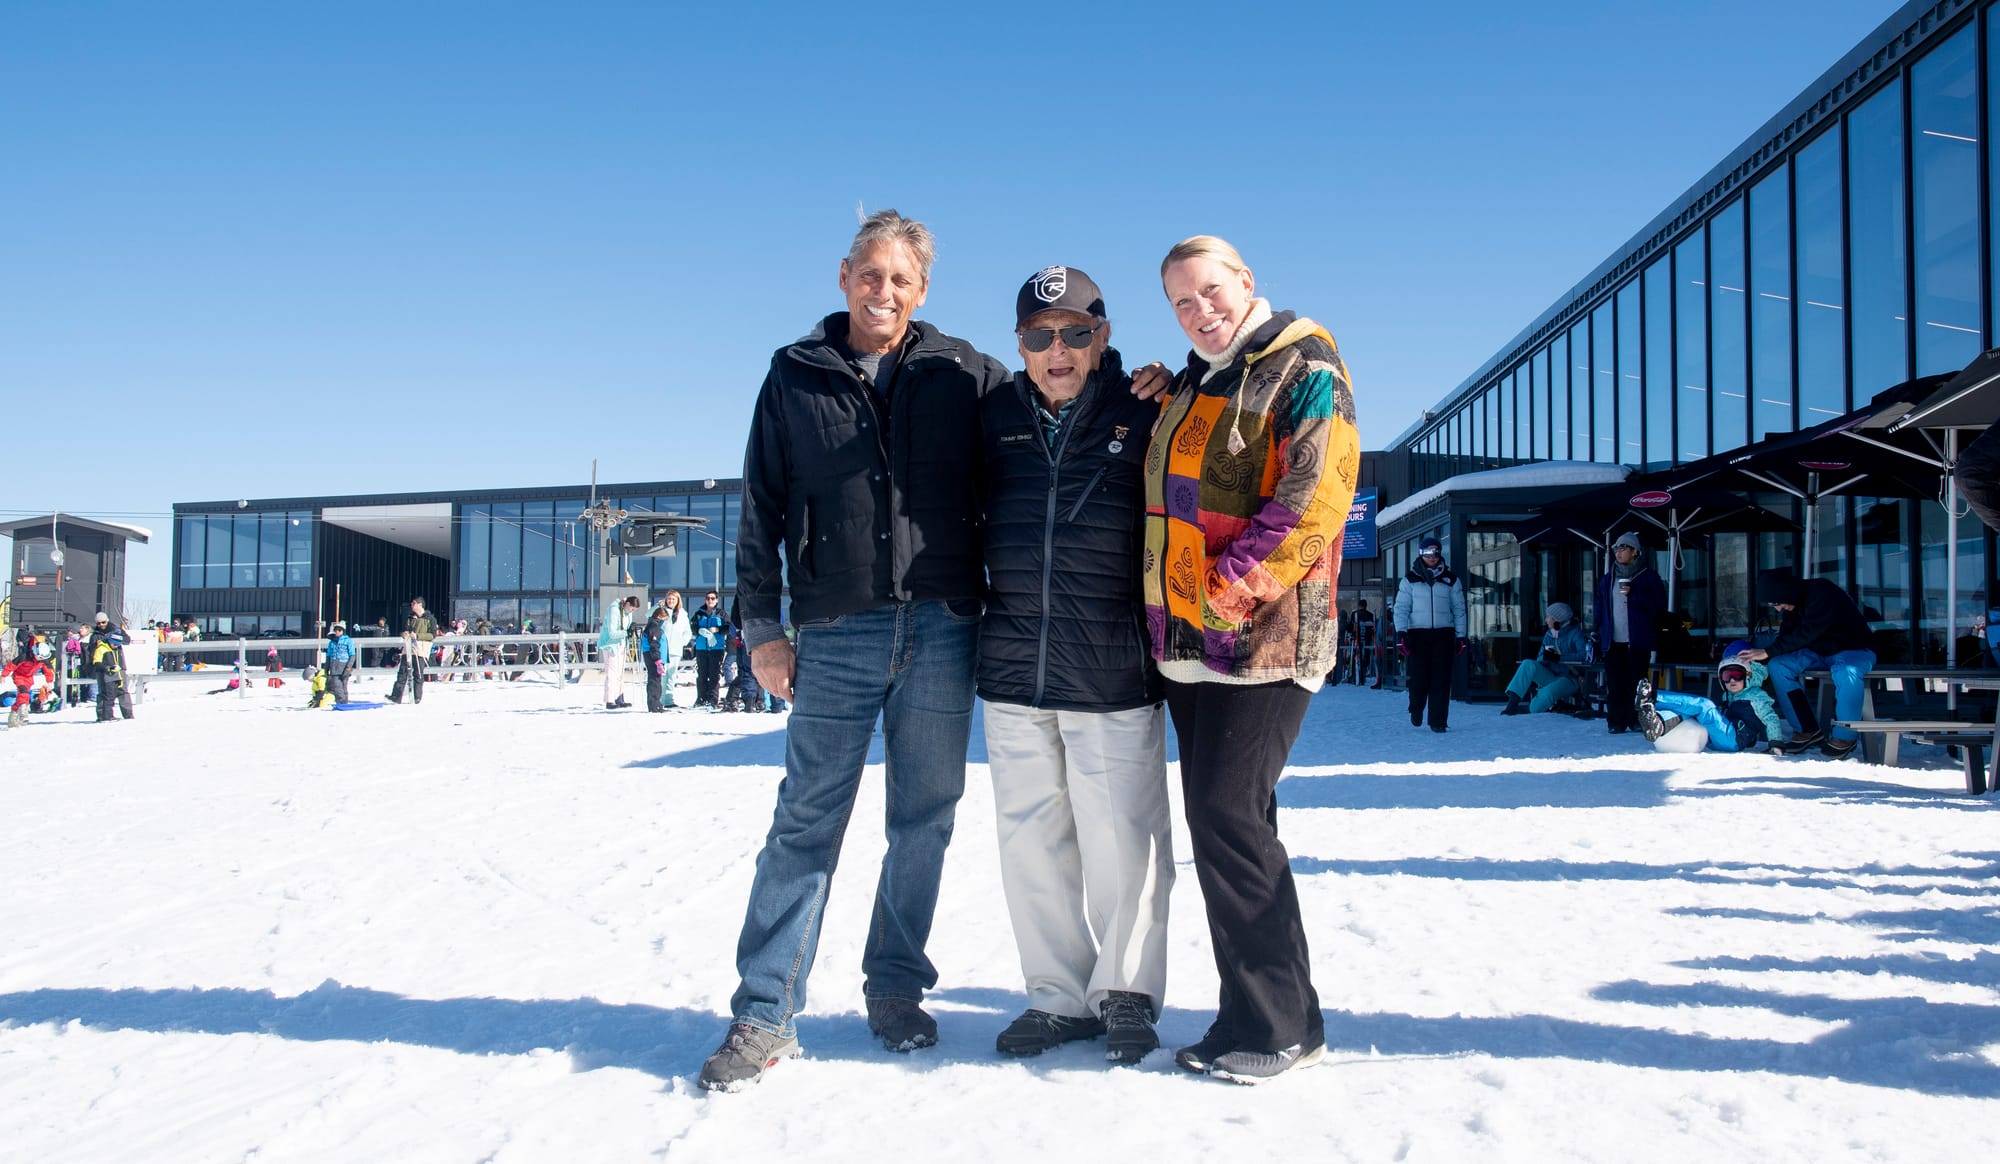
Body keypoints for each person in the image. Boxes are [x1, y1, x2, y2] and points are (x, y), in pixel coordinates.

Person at [700, 210, 1010, 1093]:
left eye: (901, 280)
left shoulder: (964, 372)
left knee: (925, 819)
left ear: (922, 290)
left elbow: (1037, 424)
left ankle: (896, 988)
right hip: (836, 632)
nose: (885, 292)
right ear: (844, 278)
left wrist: (1119, 383)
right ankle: (764, 1014)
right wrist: (761, 627)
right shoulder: (794, 375)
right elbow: (759, 505)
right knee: (805, 824)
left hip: (944, 626)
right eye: (870, 275)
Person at [1142, 235, 1358, 1083]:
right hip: (1192, 648)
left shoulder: (1304, 360)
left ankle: (1278, 1026)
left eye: (1211, 292)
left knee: (1231, 818)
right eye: (1182, 303)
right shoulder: (1199, 379)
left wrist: (1225, 592)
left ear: (1246, 283)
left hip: (1264, 641)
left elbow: (1317, 494)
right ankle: (1259, 1012)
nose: (1201, 312)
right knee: (1227, 826)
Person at [977, 265, 1173, 1064]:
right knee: (1031, 842)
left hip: (1111, 664)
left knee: (1125, 840)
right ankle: (1056, 999)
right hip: (1015, 664)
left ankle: (1124, 993)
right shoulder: (990, 417)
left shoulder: (1148, 408)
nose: (1057, 350)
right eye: (1039, 336)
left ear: (1104, 334)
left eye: (1075, 333)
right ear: (1020, 345)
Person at [1741, 568, 1876, 759]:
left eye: (1777, 603)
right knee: (1779, 665)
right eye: (1773, 605)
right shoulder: (1792, 605)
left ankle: (1845, 736)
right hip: (1819, 652)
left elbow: (1810, 631)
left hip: (1854, 650)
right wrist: (1760, 659)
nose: (1778, 609)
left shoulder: (1822, 592)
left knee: (1846, 672)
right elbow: (1787, 637)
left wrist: (1767, 651)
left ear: (1785, 591)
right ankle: (1806, 729)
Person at [1635, 646, 1784, 753]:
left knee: (1705, 705)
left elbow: (1771, 719)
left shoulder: (1755, 697)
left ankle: (1654, 697)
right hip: (1718, 737)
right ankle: (1659, 723)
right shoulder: (1730, 696)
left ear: (1748, 676)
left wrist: (1775, 743)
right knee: (1691, 711)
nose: (1732, 680)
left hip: (1733, 739)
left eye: (1737, 675)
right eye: (1727, 676)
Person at [1594, 531, 1666, 735]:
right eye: (1616, 548)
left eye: (1623, 548)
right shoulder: (1608, 579)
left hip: (1638, 639)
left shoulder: (1648, 577)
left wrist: (1635, 594)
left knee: (1637, 683)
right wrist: (1597, 630)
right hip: (1613, 639)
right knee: (1615, 682)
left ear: (1635, 552)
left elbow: (1659, 604)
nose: (1618, 552)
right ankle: (1615, 721)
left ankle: (1636, 719)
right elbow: (1599, 605)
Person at [1393, 534, 1466, 732]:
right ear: (1421, 554)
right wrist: (1401, 633)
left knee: (1441, 679)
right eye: (1427, 553)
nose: (1432, 557)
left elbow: (1459, 609)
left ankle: (1438, 721)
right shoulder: (1410, 580)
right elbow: (1401, 608)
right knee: (1419, 678)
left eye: (1435, 552)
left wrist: (1461, 635)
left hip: (1444, 633)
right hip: (1418, 634)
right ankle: (1416, 708)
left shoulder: (1450, 580)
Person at [1500, 602, 1587, 715]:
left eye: (1548, 617)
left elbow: (1584, 655)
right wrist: (1547, 657)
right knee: (1527, 664)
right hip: (1551, 675)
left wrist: (1558, 657)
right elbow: (1539, 658)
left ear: (1557, 619)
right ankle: (1512, 704)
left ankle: (1529, 709)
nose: (1546, 620)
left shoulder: (1575, 634)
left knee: (1547, 692)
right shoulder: (1549, 635)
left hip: (1569, 678)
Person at [388, 597, 437, 705]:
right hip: (409, 648)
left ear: (420, 605)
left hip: (421, 649)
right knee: (402, 672)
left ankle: (417, 697)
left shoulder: (430, 619)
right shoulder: (410, 618)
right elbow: (405, 630)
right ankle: (396, 696)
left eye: (413, 603)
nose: (411, 605)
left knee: (418, 673)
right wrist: (404, 634)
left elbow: (432, 635)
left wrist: (418, 636)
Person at [87, 613, 135, 722]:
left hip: (118, 665)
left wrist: (112, 639)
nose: (101, 625)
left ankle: (128, 715)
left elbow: (127, 640)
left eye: (103, 622)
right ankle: (102, 715)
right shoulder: (95, 634)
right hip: (103, 667)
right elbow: (91, 651)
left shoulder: (115, 629)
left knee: (122, 690)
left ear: (107, 621)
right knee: (103, 692)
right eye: (98, 623)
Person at [598, 594, 640, 710]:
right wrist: (626, 632)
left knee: (620, 672)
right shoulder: (614, 610)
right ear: (627, 604)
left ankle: (619, 697)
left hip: (621, 645)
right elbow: (612, 632)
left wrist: (631, 628)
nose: (631, 612)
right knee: (612, 673)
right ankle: (610, 699)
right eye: (631, 609)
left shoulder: (627, 613)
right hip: (610, 645)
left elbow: (625, 626)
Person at [691, 591, 730, 708]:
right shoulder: (699, 613)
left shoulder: (721, 613)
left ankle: (713, 699)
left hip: (716, 648)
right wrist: (699, 630)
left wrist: (718, 630)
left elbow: (728, 627)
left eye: (713, 598)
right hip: (701, 648)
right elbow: (693, 627)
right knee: (702, 674)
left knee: (714, 674)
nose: (710, 600)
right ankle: (701, 698)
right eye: (708, 598)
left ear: (717, 600)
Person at [323, 621, 357, 705]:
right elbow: (329, 655)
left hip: (344, 665)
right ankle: (341, 701)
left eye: (339, 630)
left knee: (343, 685)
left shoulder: (348, 641)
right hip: (334, 666)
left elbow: (352, 654)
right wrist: (326, 667)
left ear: (343, 631)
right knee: (336, 685)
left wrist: (349, 666)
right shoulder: (331, 642)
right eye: (336, 630)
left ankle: (344, 702)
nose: (337, 631)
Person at [1352, 598, 1380, 687]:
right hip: (1368, 640)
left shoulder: (1354, 614)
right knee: (1366, 657)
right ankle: (1363, 673)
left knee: (1357, 657)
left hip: (1357, 640)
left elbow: (1351, 626)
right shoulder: (1370, 615)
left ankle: (1357, 676)